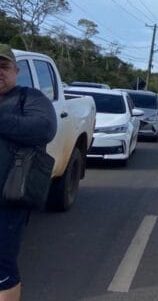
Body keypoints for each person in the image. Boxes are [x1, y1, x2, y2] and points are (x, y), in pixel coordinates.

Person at [0, 44, 57, 301]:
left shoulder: (29, 98)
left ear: (16, 71)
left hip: (7, 198)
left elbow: (43, 128)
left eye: (3, 66)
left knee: (2, 268)